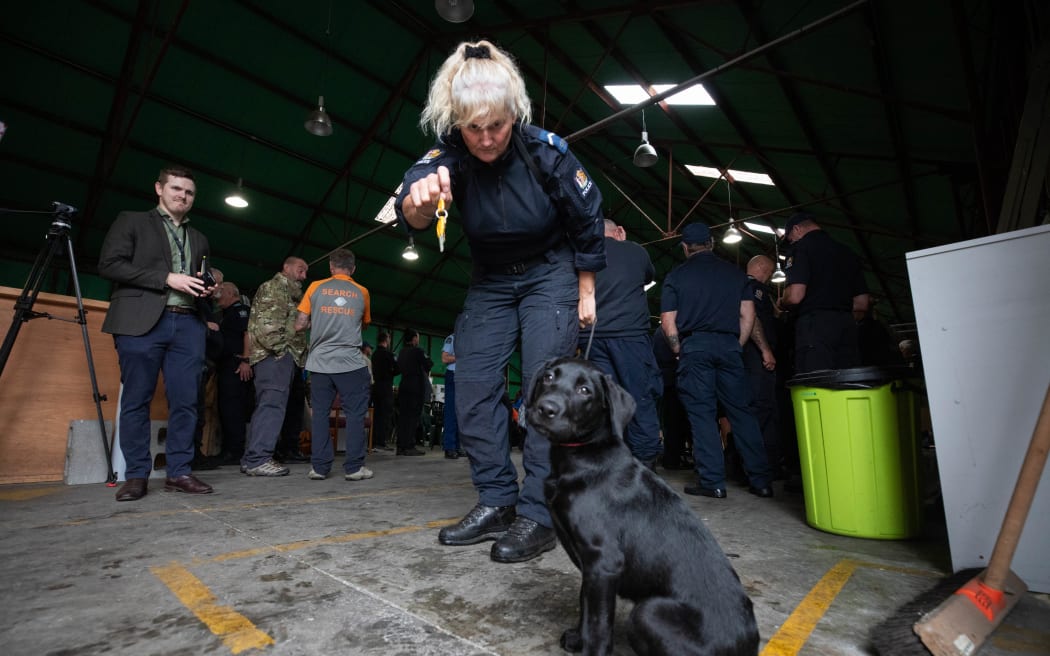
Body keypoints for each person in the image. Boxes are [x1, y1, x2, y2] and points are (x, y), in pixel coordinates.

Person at [395, 39, 606, 563]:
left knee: (543, 390)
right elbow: (413, 200)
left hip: (550, 274)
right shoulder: (448, 157)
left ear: (513, 114)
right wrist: (418, 203)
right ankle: (496, 499)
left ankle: (539, 510)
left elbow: (587, 217)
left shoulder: (546, 152)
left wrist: (585, 289)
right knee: (472, 384)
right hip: (490, 279)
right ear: (456, 122)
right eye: (473, 128)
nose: (486, 139)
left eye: (496, 126)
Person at [98, 165, 216, 501]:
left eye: (189, 192)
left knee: (187, 401)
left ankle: (179, 471)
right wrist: (166, 277)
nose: (183, 196)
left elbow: (198, 276)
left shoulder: (199, 237)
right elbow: (109, 264)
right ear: (159, 189)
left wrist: (206, 288)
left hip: (188, 323)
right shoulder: (132, 221)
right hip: (141, 321)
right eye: (176, 189)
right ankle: (136, 475)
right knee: (137, 398)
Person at [659, 223, 773, 500]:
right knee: (742, 413)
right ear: (711, 243)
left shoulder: (676, 276)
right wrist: (736, 345)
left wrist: (678, 349)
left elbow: (667, 322)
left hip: (694, 346)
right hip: (729, 347)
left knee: (702, 414)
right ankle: (761, 481)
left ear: (685, 247)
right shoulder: (736, 275)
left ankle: (713, 482)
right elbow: (748, 316)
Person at [582, 219, 662, 467]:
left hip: (591, 336)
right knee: (639, 397)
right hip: (630, 336)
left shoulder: (585, 253)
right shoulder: (636, 251)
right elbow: (649, 276)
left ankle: (606, 463)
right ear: (618, 231)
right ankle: (644, 464)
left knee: (602, 402)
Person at [295, 248, 373, 481]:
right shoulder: (362, 292)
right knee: (356, 415)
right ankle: (354, 468)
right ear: (353, 269)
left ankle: (319, 468)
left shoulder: (315, 287)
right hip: (350, 363)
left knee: (319, 414)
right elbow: (364, 324)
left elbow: (299, 324)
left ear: (331, 267)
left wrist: (319, 322)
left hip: (319, 363)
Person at [242, 256, 309, 477]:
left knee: (268, 406)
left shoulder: (290, 294)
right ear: (286, 267)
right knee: (271, 406)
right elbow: (267, 325)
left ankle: (252, 457)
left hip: (279, 356)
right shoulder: (273, 288)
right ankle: (258, 459)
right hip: (274, 355)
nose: (304, 276)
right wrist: (281, 351)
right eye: (300, 270)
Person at [779, 212, 870, 373]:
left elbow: (795, 296)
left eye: (790, 238)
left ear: (797, 229)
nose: (791, 242)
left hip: (815, 325)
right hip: (847, 325)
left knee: (815, 381)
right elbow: (862, 303)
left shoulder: (800, 248)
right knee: (847, 379)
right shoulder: (848, 252)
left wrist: (782, 301)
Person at [742, 255, 783, 477]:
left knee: (767, 408)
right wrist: (765, 349)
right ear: (759, 267)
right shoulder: (751, 287)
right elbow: (752, 317)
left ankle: (768, 463)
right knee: (760, 408)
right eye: (768, 272)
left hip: (760, 357)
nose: (768, 277)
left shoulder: (758, 290)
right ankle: (759, 466)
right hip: (756, 356)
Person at [213, 281, 253, 466]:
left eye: (220, 292)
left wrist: (245, 360)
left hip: (237, 365)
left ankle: (234, 451)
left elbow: (248, 334)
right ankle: (229, 449)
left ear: (230, 292)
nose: (217, 295)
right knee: (226, 408)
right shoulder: (225, 313)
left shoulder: (240, 310)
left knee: (233, 409)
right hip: (225, 364)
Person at [395, 329, 430, 456]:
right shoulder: (418, 351)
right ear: (414, 338)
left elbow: (397, 368)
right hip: (415, 387)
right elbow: (428, 364)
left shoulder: (402, 352)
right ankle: (409, 446)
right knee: (413, 417)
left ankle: (400, 446)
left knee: (403, 417)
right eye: (418, 337)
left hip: (403, 385)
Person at [370, 332, 399, 450]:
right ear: (386, 339)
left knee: (376, 415)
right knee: (385, 415)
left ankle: (374, 441)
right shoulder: (388, 354)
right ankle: (381, 442)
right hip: (386, 387)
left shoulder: (375, 354)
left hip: (375, 387)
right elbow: (397, 369)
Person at [440, 332, 464, 459]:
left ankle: (457, 446)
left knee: (461, 413)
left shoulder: (467, 339)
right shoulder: (452, 338)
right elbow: (444, 358)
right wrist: (461, 357)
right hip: (453, 375)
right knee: (451, 412)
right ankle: (449, 447)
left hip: (463, 376)